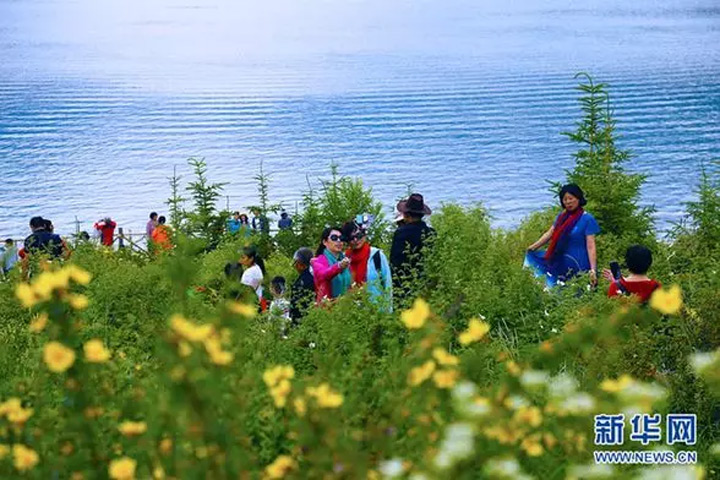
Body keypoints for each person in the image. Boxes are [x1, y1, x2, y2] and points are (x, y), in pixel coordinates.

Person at [525, 184, 600, 288]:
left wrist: (593, 269)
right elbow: (550, 233)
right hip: (560, 259)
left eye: (571, 198)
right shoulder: (561, 217)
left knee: (577, 289)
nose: (568, 202)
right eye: (565, 199)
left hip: (579, 261)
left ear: (578, 198)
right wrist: (533, 247)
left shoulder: (587, 219)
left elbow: (591, 246)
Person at [390, 193, 436, 303]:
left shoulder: (401, 233)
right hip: (424, 280)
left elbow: (394, 261)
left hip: (403, 281)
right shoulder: (431, 233)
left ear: (407, 216)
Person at [341, 219, 392, 311]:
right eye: (351, 238)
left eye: (359, 236)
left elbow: (387, 285)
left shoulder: (377, 255)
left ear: (364, 235)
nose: (356, 240)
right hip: (352, 313)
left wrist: (388, 311)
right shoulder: (344, 260)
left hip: (378, 311)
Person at [310, 227, 352, 304]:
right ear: (325, 242)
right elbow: (324, 275)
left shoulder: (345, 260)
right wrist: (339, 266)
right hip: (327, 307)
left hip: (346, 306)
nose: (339, 241)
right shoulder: (317, 261)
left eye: (341, 238)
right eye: (334, 238)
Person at [290, 247, 316, 323]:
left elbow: (297, 305)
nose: (295, 265)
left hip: (302, 319)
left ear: (300, 263)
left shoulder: (303, 281)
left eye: (296, 262)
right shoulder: (312, 275)